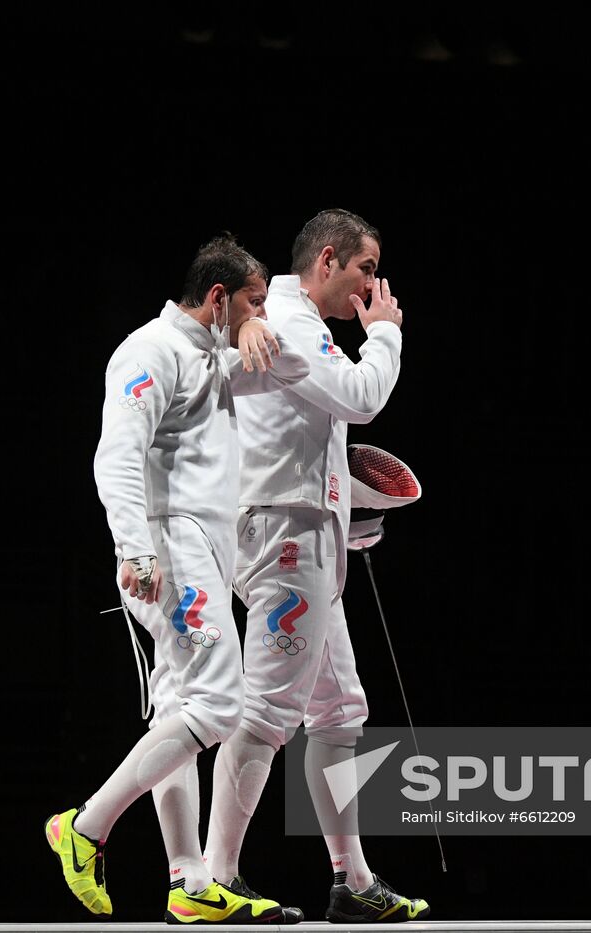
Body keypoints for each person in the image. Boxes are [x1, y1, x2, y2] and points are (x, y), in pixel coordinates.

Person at [46, 234, 309, 924]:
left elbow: (302, 360)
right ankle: (85, 825)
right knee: (220, 705)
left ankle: (189, 882)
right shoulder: (149, 352)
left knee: (178, 709)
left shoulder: (217, 354)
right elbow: (117, 456)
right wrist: (135, 550)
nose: (260, 316)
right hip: (171, 550)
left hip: (206, 550)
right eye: (250, 302)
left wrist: (258, 317)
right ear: (216, 296)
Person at [203, 209, 430, 922]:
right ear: (328, 260)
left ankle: (351, 879)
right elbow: (362, 399)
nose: (374, 283)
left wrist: (349, 513)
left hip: (309, 536)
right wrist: (386, 332)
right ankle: (215, 877)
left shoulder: (295, 326)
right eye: (367, 268)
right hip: (285, 542)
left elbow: (307, 442)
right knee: (269, 712)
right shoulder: (294, 324)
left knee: (339, 712)